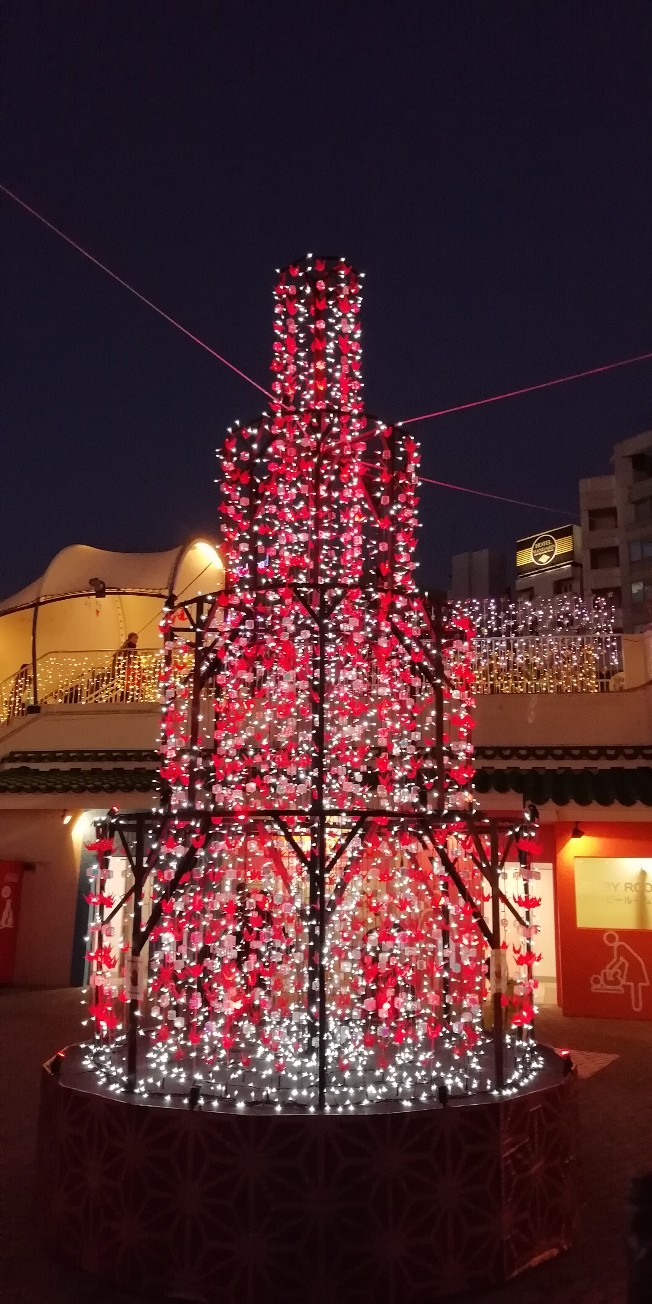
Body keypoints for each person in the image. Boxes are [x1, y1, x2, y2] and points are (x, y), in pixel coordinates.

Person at [112, 632, 141, 701]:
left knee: (129, 684)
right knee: (127, 685)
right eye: (134, 638)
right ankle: (125, 699)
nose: (136, 639)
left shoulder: (131, 647)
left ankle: (127, 698)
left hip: (130, 668)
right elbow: (119, 655)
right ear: (130, 638)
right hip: (127, 668)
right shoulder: (127, 647)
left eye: (137, 638)